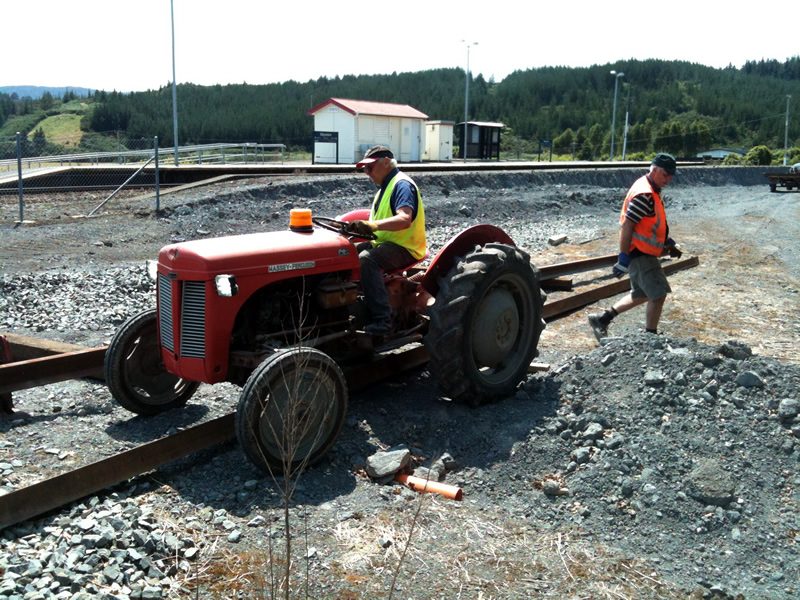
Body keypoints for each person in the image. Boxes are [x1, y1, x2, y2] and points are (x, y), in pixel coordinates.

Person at [588, 153, 683, 342]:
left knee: (641, 294)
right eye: (666, 174)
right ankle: (650, 337)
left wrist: (668, 243)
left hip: (642, 252)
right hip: (640, 253)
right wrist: (623, 257)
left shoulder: (650, 188)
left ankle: (602, 319)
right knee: (658, 294)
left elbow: (649, 224)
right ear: (654, 170)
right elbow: (628, 225)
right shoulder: (645, 194)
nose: (669, 179)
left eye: (671, 175)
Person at [349, 145, 426, 335]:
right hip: (386, 243)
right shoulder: (384, 188)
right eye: (364, 169)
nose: (367, 172)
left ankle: (382, 321)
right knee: (346, 253)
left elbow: (404, 218)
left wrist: (373, 226)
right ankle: (353, 302)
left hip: (405, 246)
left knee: (368, 260)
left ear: (385, 163)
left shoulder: (401, 185)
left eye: (370, 167)